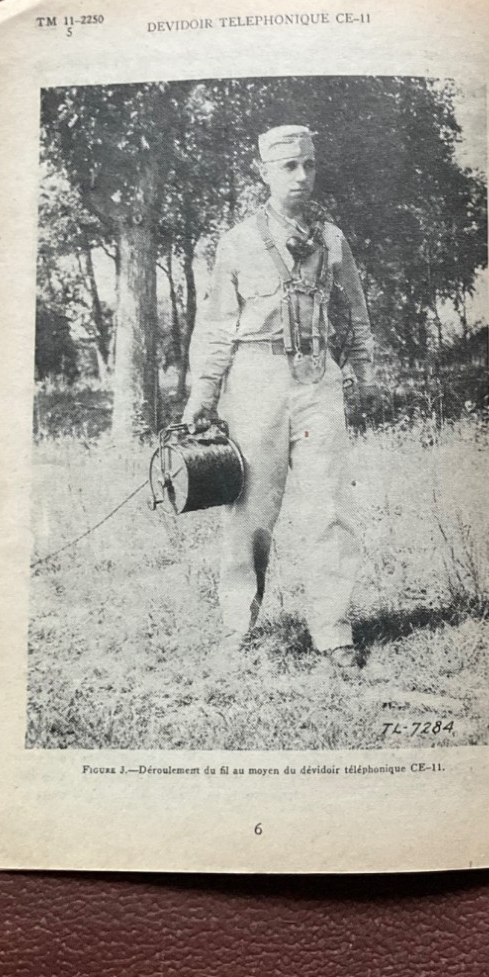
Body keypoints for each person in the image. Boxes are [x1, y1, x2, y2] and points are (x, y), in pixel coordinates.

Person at [182, 124, 383, 671]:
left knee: (328, 507)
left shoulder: (333, 238)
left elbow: (357, 314)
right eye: (288, 166)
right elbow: (218, 326)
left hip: (318, 381)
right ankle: (236, 623)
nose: (301, 176)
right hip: (256, 380)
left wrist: (363, 373)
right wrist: (203, 393)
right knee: (249, 508)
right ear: (264, 172)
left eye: (309, 165)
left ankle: (333, 629)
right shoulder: (238, 241)